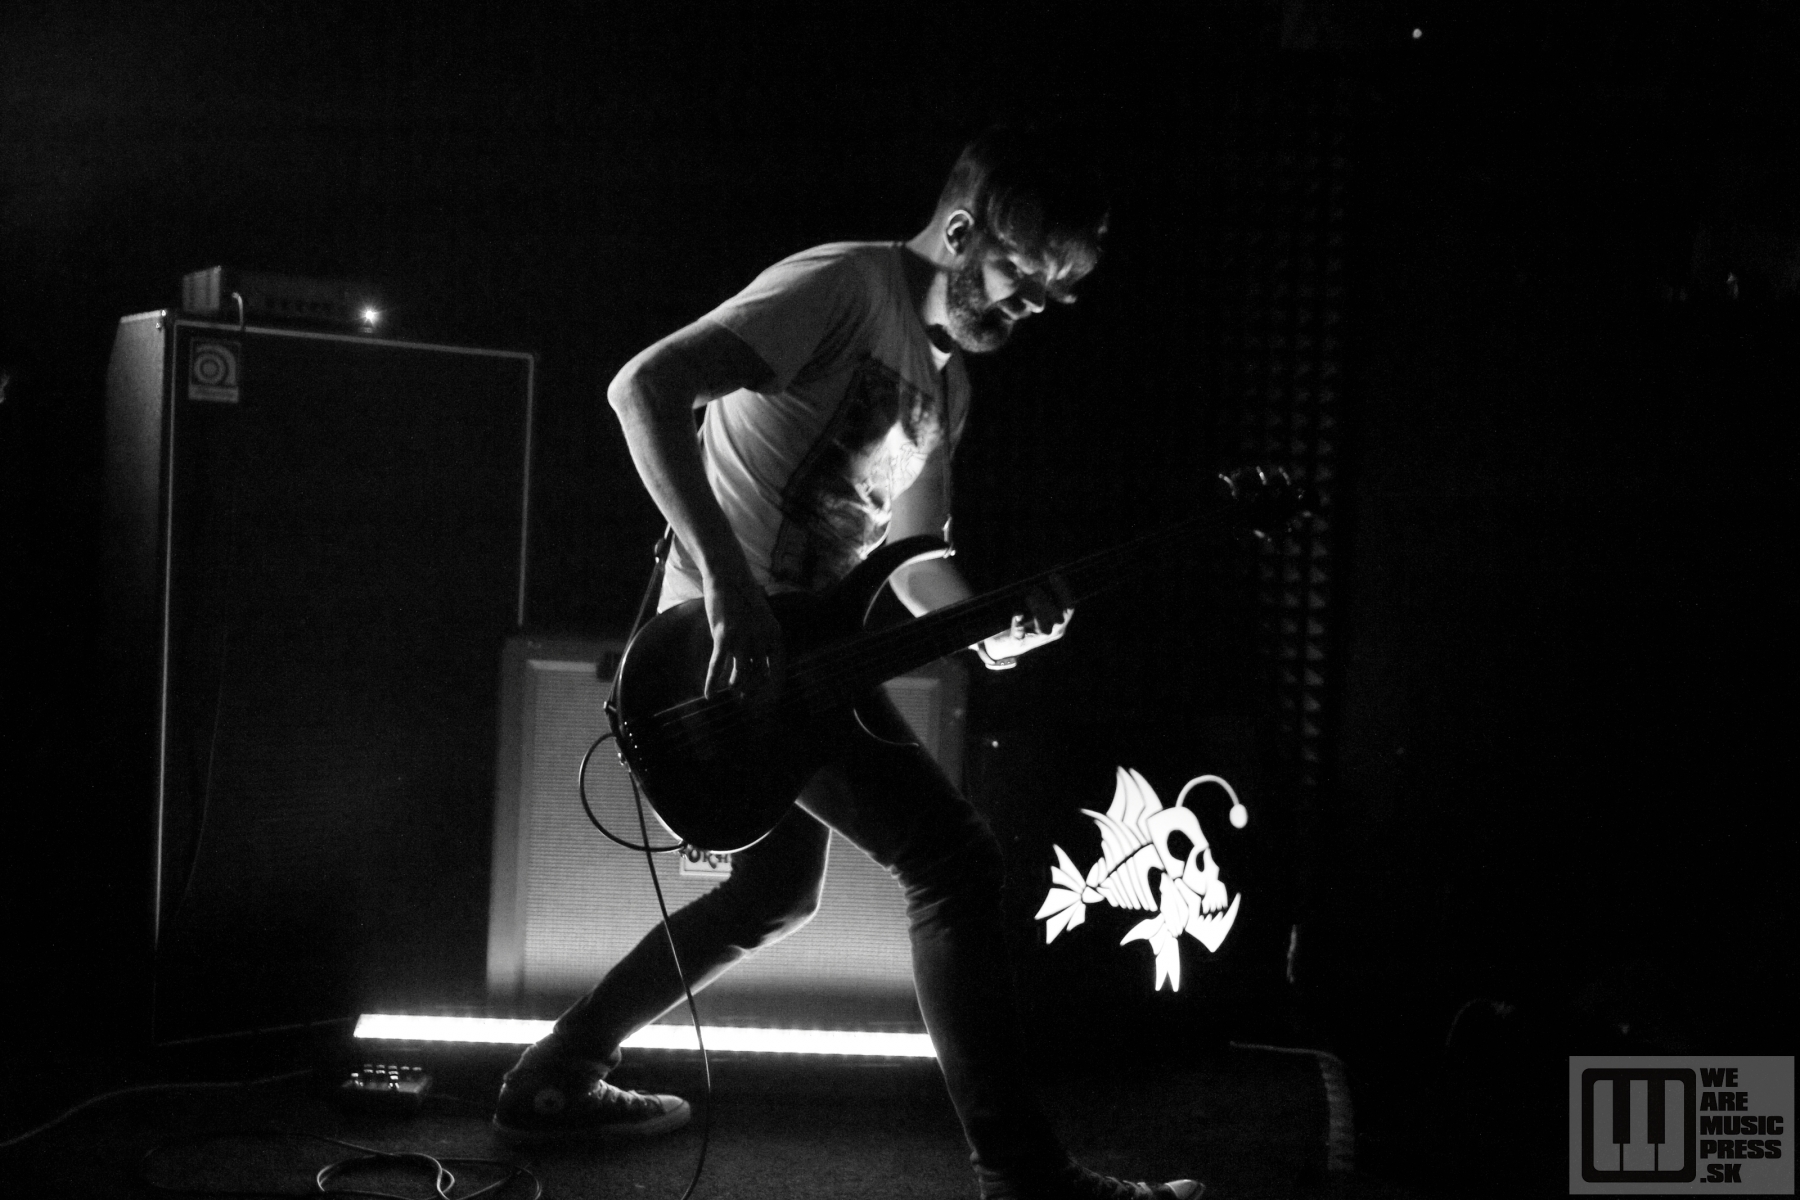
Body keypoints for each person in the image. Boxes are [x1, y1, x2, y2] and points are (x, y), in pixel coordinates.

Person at [493, 125, 1203, 1200]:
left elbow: (918, 556)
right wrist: (728, 588)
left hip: (811, 657)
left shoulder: (946, 386)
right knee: (952, 863)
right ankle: (1026, 1177)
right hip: (724, 658)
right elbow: (643, 390)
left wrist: (991, 627)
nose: (1028, 309)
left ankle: (556, 1075)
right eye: (1018, 277)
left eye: (1050, 297)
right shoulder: (840, 287)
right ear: (959, 232)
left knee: (774, 893)